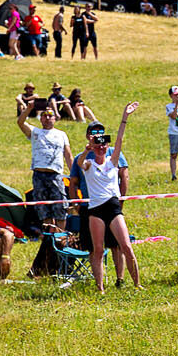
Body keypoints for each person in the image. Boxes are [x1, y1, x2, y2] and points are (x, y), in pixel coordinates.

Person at [75, 104, 138, 290]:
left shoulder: (112, 162)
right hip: (95, 210)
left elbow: (119, 139)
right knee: (98, 250)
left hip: (113, 207)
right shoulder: (89, 164)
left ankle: (137, 284)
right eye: (98, 145)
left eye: (104, 144)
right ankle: (100, 287)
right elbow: (79, 162)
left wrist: (125, 117)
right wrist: (87, 149)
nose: (101, 147)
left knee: (126, 246)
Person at [15, 94, 72, 249]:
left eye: (50, 115)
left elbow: (68, 155)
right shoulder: (35, 132)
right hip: (39, 174)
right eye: (45, 116)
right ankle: (49, 240)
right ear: (41, 119)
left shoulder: (61, 134)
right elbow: (20, 122)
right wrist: (29, 108)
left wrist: (74, 174)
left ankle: (61, 238)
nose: (47, 118)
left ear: (55, 118)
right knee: (43, 209)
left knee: (60, 207)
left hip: (55, 174)